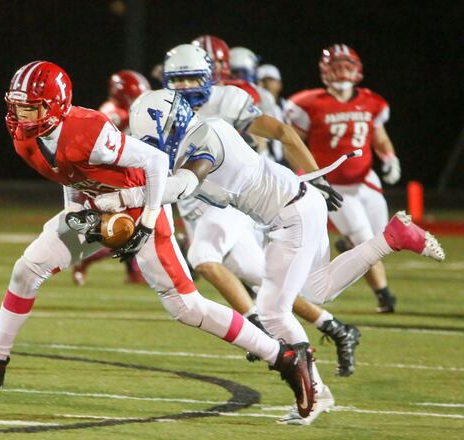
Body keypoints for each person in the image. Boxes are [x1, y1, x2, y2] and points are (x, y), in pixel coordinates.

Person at [0, 61, 316, 418]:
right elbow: (70, 177)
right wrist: (74, 216)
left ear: (55, 106)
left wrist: (147, 221)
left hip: (141, 203)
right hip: (100, 205)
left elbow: (155, 162)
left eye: (30, 108)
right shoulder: (26, 140)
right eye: (17, 107)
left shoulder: (88, 130)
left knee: (186, 307)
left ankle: (282, 356)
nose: (20, 116)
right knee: (26, 269)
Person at [105, 89, 444, 424]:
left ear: (171, 124)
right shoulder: (205, 129)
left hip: (289, 214)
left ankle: (314, 392)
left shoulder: (203, 140)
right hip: (292, 207)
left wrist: (120, 200)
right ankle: (394, 237)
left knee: (273, 311)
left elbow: (183, 183)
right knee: (317, 289)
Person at [159, 43, 361, 377]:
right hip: (194, 204)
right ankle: (337, 328)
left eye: (192, 79)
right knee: (264, 282)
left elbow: (281, 133)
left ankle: (260, 334)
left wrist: (317, 178)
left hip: (231, 200)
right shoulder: (160, 108)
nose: (185, 89)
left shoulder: (229, 100)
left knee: (203, 259)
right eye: (178, 81)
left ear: (208, 77)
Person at [284, 44, 402, 313]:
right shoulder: (307, 103)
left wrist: (390, 157)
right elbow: (292, 143)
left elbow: (380, 136)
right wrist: (308, 175)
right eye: (336, 65)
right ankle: (384, 295)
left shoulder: (372, 101)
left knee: (381, 240)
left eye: (347, 65)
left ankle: (347, 246)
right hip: (335, 185)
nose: (342, 71)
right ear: (325, 70)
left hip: (366, 180)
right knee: (365, 242)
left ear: (357, 69)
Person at [72, 70, 150, 286]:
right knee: (126, 226)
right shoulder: (114, 114)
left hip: (119, 175)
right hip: (110, 179)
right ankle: (87, 260)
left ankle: (133, 271)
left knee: (130, 226)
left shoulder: (118, 110)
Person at [257, 64, 289, 165]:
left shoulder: (287, 107)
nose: (264, 85)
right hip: (264, 161)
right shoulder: (254, 106)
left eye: (269, 80)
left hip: (285, 162)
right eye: (261, 81)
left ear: (279, 84)